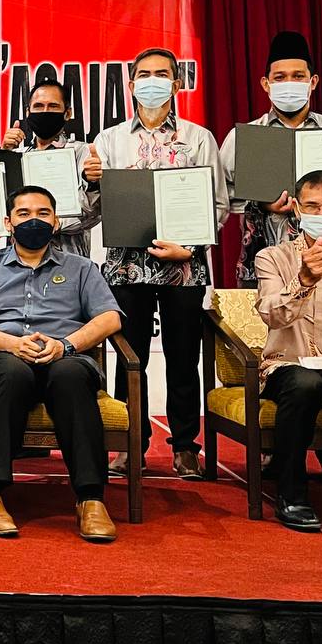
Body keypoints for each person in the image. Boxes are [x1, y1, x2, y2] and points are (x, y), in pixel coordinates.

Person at [0, 186, 123, 541]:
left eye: (43, 213)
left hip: (63, 357)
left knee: (72, 374)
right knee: (11, 372)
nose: (34, 220)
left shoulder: (82, 269)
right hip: (2, 358)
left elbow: (109, 318)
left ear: (56, 222)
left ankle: (91, 498)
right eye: (24, 214)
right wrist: (13, 345)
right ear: (8, 222)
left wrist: (66, 346)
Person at [87, 47, 227, 479]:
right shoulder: (109, 140)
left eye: (162, 74)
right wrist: (90, 183)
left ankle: (185, 447)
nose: (153, 81)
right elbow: (93, 210)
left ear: (177, 83)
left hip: (185, 266)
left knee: (183, 359)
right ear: (131, 85)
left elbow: (217, 204)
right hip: (126, 267)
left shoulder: (199, 137)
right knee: (130, 359)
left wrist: (192, 247)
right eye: (144, 74)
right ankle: (130, 444)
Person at [253, 169, 322, 532]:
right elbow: (271, 314)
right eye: (313, 206)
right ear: (296, 208)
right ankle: (292, 493)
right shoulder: (272, 257)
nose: (321, 215)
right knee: (306, 383)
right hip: (287, 365)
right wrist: (304, 282)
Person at [221, 31, 322, 287]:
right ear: (266, 84)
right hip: (262, 264)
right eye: (280, 77)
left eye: (298, 76)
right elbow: (220, 196)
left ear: (313, 82)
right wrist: (260, 202)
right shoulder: (242, 137)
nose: (289, 83)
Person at [1, 77, 100, 257]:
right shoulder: (17, 155)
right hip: (18, 262)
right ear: (28, 112)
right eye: (38, 106)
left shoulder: (83, 153)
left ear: (67, 113)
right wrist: (3, 156)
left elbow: (93, 213)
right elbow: (1, 209)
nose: (45, 112)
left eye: (53, 106)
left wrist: (93, 184)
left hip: (68, 258)